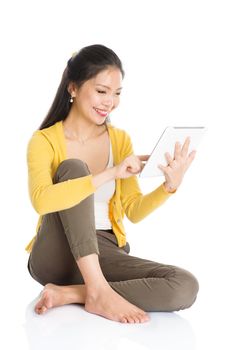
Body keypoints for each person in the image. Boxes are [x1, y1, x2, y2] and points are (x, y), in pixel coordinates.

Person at [26, 44, 199, 324]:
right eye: (102, 91)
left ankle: (76, 293)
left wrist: (168, 187)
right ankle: (97, 290)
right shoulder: (44, 141)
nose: (110, 102)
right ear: (73, 88)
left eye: (117, 93)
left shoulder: (119, 140)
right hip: (55, 253)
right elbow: (42, 201)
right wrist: (111, 173)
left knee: (184, 285)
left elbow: (133, 211)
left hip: (103, 247)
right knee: (73, 170)